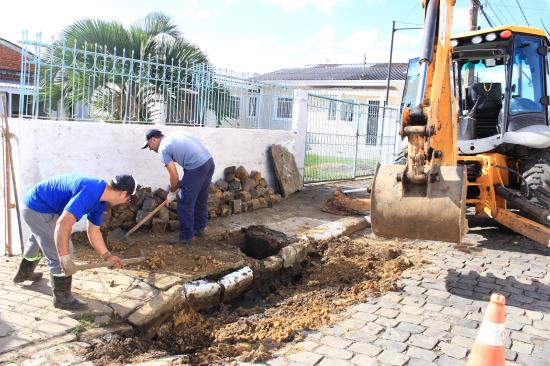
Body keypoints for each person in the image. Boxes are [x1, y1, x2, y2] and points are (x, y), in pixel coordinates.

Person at [13, 174, 136, 310]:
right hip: (36, 207)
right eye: (128, 198)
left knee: (41, 236)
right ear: (123, 193)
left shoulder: (100, 200)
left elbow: (93, 231)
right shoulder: (91, 191)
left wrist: (107, 255)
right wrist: (65, 258)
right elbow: (63, 224)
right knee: (61, 248)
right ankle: (62, 299)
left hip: (43, 205)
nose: (127, 201)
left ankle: (24, 273)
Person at [141, 128, 214, 244]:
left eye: (149, 145)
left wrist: (172, 192)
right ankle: (199, 229)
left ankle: (185, 238)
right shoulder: (175, 134)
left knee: (184, 202)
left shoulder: (162, 149)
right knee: (201, 199)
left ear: (153, 140)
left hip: (196, 168)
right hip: (209, 163)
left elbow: (174, 176)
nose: (150, 149)